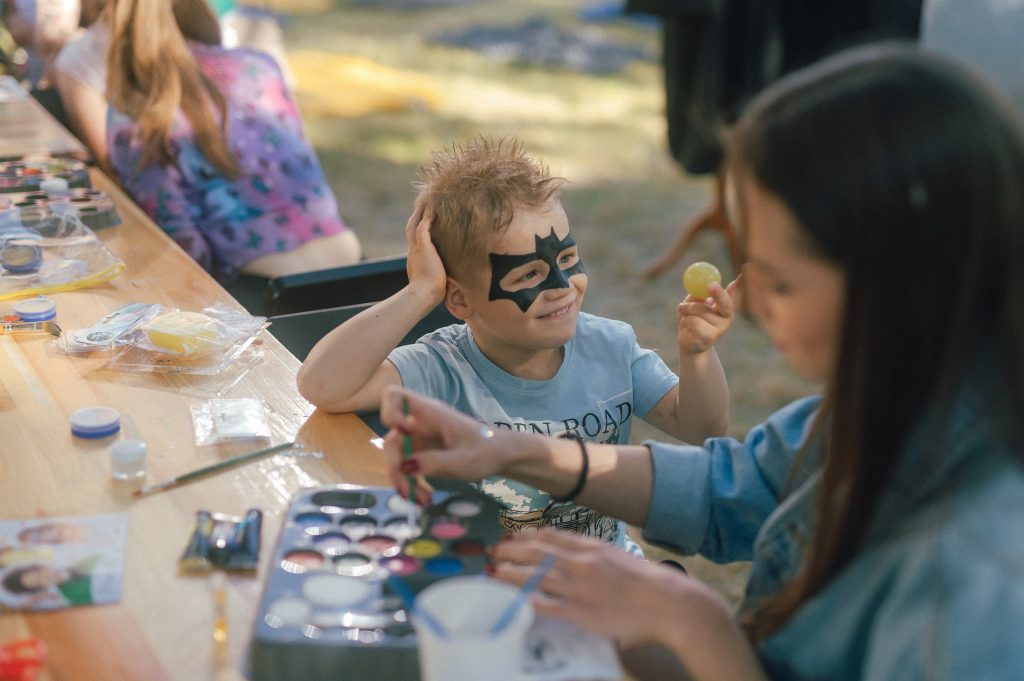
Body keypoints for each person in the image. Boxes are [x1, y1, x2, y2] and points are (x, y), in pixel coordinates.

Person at [375, 44, 1024, 680]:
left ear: (899, 284)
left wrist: (693, 620)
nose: (754, 302)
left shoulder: (976, 578)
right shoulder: (898, 398)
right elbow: (735, 486)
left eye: (780, 280)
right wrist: (512, 452)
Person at [298, 136, 736, 552]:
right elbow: (323, 385)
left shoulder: (612, 347)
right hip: (486, 577)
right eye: (528, 275)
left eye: (567, 259)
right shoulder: (442, 367)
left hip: (600, 567)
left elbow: (702, 430)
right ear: (459, 299)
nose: (562, 286)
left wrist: (697, 355)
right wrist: (420, 291)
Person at [104, 0, 360, 284]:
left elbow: (177, 243)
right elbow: (303, 173)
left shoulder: (138, 107)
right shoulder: (259, 65)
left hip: (257, 288)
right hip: (345, 260)